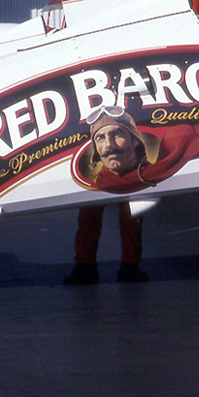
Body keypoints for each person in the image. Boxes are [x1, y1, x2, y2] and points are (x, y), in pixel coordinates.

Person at [64, 107, 150, 284]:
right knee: (89, 213)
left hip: (133, 174)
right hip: (103, 180)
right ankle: (85, 267)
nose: (109, 145)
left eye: (117, 134)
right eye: (101, 138)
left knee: (132, 215)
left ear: (134, 140)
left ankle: (130, 266)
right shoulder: (95, 177)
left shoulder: (145, 170)